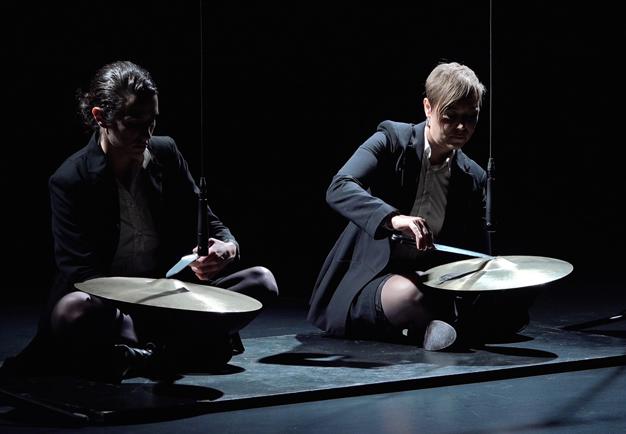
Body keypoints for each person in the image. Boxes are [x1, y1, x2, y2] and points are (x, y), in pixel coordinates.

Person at [2, 60, 278, 381]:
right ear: (100, 117)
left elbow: (211, 224)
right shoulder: (70, 179)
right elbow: (80, 272)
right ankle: (169, 349)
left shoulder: (166, 153)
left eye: (152, 122)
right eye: (134, 122)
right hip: (112, 309)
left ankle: (146, 353)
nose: (146, 134)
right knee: (73, 309)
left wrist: (226, 248)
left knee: (262, 281)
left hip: (168, 301)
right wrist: (130, 310)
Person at [307, 61, 532, 351]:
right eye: (450, 116)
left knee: (516, 292)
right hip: (373, 279)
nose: (462, 127)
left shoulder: (472, 176)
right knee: (408, 296)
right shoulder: (391, 139)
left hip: (432, 279)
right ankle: (433, 327)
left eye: (471, 117)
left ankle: (429, 326)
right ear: (428, 107)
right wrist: (394, 219)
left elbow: (477, 250)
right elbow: (339, 186)